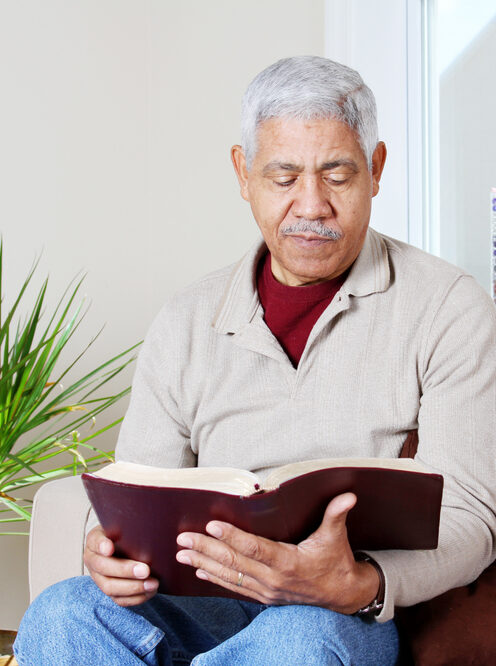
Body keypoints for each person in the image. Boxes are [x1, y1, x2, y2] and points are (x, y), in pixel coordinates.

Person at [14, 56, 496, 666]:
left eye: (338, 174)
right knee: (62, 613)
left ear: (375, 169)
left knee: (294, 641)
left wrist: (360, 581)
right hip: (203, 598)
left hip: (335, 611)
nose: (311, 204)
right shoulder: (187, 318)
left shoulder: (450, 307)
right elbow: (137, 493)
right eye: (283, 175)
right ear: (244, 173)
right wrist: (111, 553)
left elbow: (472, 519)